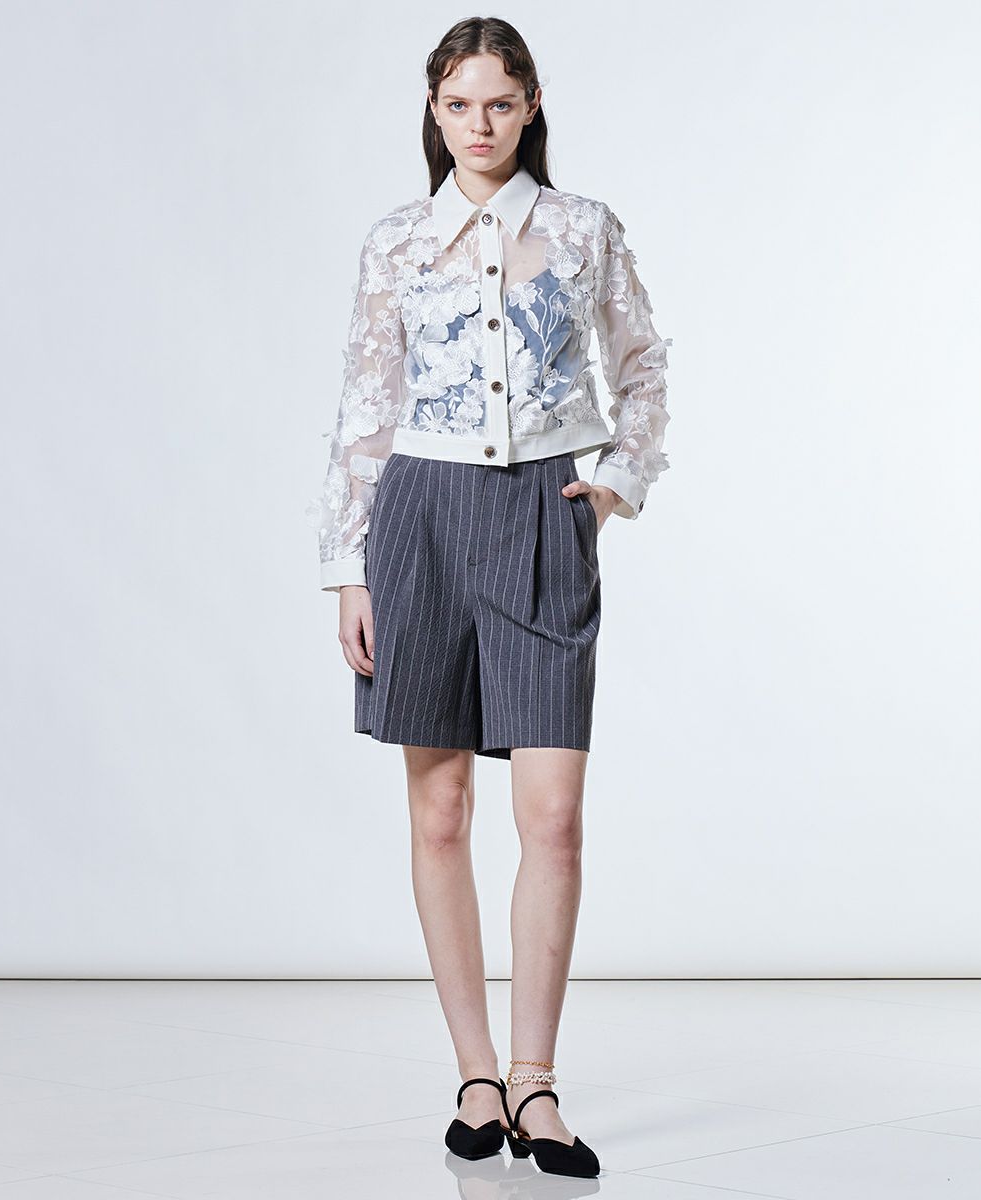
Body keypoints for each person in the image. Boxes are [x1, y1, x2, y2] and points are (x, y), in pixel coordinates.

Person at [305, 15, 671, 1180]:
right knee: (441, 811)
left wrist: (615, 483)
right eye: (458, 105)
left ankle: (536, 1081)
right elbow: (364, 404)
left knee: (551, 815)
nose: (479, 125)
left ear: (531, 105)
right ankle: (474, 1075)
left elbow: (644, 365)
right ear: (433, 110)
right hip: (418, 518)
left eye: (499, 104)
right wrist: (348, 567)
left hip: (541, 517)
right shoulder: (397, 242)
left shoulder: (583, 230)